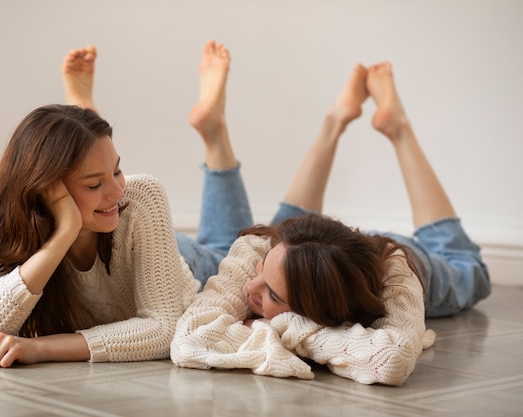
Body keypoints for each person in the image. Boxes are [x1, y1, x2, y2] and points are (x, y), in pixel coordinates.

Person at [170, 48, 491, 385]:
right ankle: (342, 120)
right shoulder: (257, 248)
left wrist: (282, 327)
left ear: (324, 311)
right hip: (323, 249)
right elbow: (190, 340)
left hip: (387, 257)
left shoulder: (397, 273)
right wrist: (287, 320)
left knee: (465, 266)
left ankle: (395, 127)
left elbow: (390, 361)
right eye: (263, 273)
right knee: (282, 245)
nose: (250, 285)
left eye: (274, 296)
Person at [0, 41, 252, 367]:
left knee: (234, 249)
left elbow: (164, 329)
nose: (117, 190)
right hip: (113, 236)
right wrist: (63, 234)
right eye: (94, 183)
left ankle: (217, 135)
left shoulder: (140, 198)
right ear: (46, 191)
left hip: (186, 265)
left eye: (118, 170)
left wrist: (40, 349)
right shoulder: (3, 222)